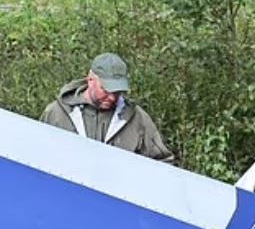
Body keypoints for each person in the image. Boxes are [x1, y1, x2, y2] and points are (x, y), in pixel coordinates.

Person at [40, 52, 174, 162]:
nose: (112, 97)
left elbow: (163, 164)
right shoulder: (56, 113)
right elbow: (38, 155)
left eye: (117, 92)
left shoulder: (137, 118)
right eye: (106, 90)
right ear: (90, 80)